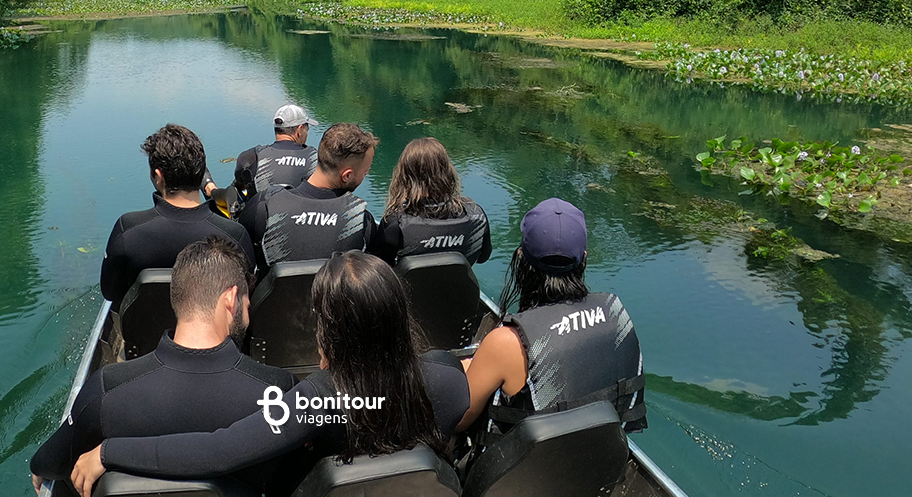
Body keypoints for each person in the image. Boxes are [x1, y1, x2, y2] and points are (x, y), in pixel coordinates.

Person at [70, 251, 471, 497]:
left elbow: (217, 451)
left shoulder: (316, 400)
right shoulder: (451, 379)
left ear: (329, 330)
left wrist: (109, 452)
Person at [31, 237, 296, 493]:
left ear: (177, 298)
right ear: (231, 298)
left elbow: (46, 465)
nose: (248, 315)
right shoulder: (277, 392)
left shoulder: (106, 389)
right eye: (247, 304)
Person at [458, 198, 645, 435]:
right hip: (605, 454)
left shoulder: (507, 342)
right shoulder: (617, 314)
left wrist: (465, 371)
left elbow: (458, 421)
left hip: (525, 460)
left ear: (520, 258)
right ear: (584, 258)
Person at [99, 124, 255, 303]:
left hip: (148, 320)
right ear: (200, 172)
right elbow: (246, 294)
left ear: (159, 176)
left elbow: (110, 292)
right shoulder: (234, 234)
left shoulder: (128, 229)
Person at [238, 122, 377, 271]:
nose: (366, 174)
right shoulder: (361, 221)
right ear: (347, 176)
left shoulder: (264, 207)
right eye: (366, 171)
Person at [368, 137, 492, 265]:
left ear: (405, 177)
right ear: (447, 172)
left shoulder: (396, 222)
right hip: (460, 279)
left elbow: (379, 266)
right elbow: (483, 257)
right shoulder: (475, 215)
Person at [214, 103, 320, 204]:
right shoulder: (314, 158)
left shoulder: (251, 156)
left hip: (259, 214)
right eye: (307, 129)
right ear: (300, 130)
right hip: (301, 214)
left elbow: (238, 186)